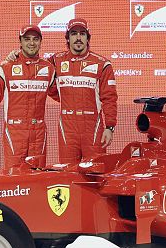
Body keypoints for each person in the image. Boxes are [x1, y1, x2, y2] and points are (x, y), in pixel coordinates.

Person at [0, 25, 56, 170]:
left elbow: (63, 95)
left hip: (38, 132)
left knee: (38, 177)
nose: (31, 43)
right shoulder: (4, 67)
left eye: (36, 39)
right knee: (14, 178)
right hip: (15, 132)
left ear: (41, 42)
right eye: (27, 39)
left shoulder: (49, 68)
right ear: (20, 42)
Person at [50, 18, 118, 163]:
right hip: (67, 128)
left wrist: (110, 127)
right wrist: (16, 55)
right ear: (68, 38)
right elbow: (36, 69)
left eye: (82, 33)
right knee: (68, 174)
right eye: (74, 34)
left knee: (95, 173)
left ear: (88, 38)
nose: (78, 38)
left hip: (92, 126)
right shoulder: (56, 61)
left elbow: (109, 98)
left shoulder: (102, 64)